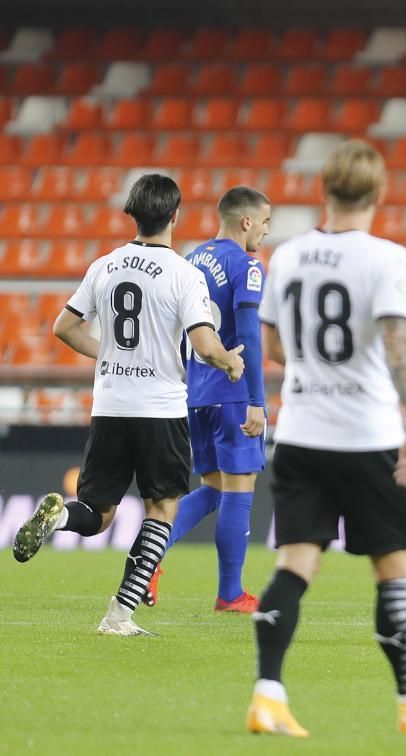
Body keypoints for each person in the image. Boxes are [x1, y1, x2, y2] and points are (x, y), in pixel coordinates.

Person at [248, 140, 406, 738]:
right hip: (367, 434)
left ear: (325, 188)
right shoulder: (388, 258)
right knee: (393, 570)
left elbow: (271, 347)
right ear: (378, 193)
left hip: (299, 433)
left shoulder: (287, 256)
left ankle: (267, 694)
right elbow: (398, 345)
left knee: (294, 565)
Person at [11, 174, 245, 637]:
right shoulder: (184, 273)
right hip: (159, 409)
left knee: (97, 515)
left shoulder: (105, 266)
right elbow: (203, 343)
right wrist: (229, 363)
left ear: (133, 214)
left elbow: (64, 327)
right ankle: (119, 614)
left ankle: (57, 516)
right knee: (162, 510)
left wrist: (115, 355)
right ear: (175, 215)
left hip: (111, 406)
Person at [144, 186, 272, 613]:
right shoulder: (247, 265)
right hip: (232, 391)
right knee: (239, 489)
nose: (267, 232)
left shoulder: (192, 259)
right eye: (266, 222)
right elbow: (250, 334)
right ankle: (231, 593)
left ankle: (147, 559)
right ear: (247, 221)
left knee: (213, 489)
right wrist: (256, 398)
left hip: (195, 393)